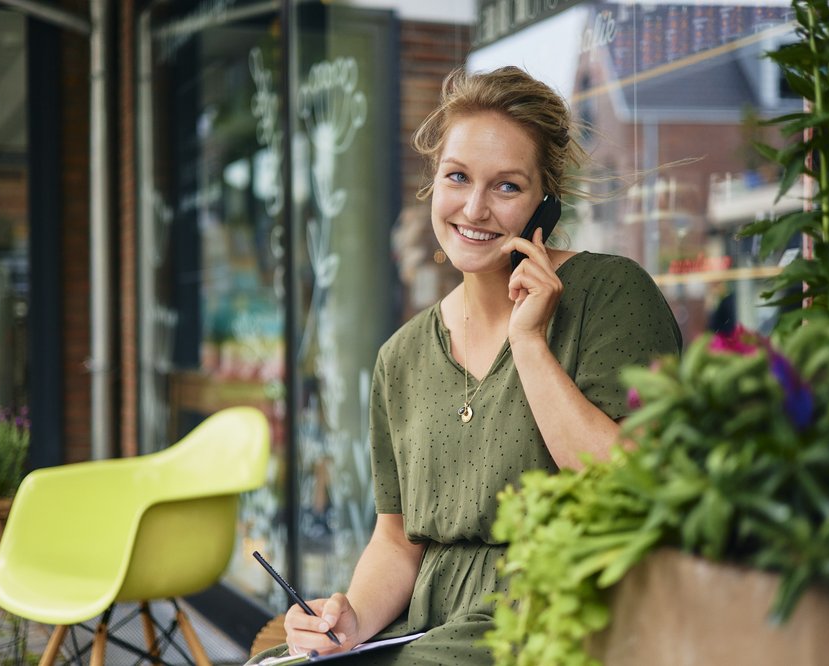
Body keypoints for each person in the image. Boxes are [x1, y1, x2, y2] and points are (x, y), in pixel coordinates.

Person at [249, 65, 681, 665]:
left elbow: (633, 488)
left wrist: (530, 344)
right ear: (434, 184)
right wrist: (347, 621)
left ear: (544, 204)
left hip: (554, 612)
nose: (474, 208)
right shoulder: (399, 356)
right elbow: (399, 541)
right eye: (458, 178)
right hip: (426, 627)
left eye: (507, 186)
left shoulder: (611, 293)